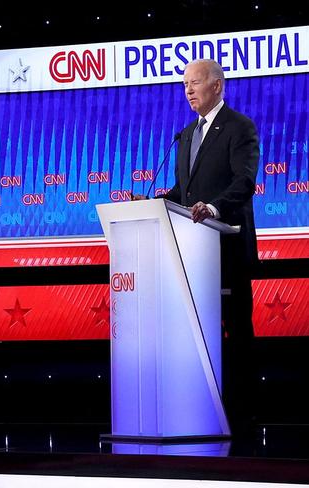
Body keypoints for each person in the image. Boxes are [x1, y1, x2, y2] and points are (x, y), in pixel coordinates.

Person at [154, 59, 260, 433]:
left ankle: (243, 415)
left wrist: (212, 208)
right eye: (184, 84)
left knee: (235, 330)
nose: (187, 90)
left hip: (226, 247)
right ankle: (201, 409)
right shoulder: (185, 136)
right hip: (192, 256)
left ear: (217, 85)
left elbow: (244, 182)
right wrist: (154, 203)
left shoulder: (239, 128)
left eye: (194, 83)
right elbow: (184, 195)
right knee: (198, 332)